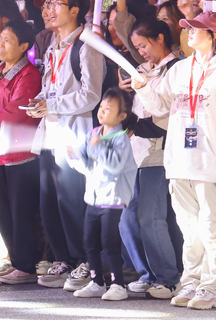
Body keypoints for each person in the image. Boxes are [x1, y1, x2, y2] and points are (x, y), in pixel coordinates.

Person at [132, 11, 216, 311]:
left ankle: (213, 285)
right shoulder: (180, 70)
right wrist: (143, 88)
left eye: (196, 29)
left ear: (214, 36)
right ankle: (192, 280)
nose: (189, 32)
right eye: (188, 28)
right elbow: (160, 107)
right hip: (178, 160)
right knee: (188, 226)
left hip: (210, 161)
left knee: (211, 224)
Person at [24, 0, 105, 291]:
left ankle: (88, 261)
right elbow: (51, 87)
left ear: (74, 10)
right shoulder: (54, 45)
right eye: (48, 4)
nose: (49, 9)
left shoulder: (87, 45)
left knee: (74, 201)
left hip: (75, 134)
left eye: (56, 4)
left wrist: (52, 104)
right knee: (51, 202)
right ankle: (66, 259)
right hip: (51, 133)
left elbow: (91, 95)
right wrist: (40, 102)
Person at [0, 18, 43, 285]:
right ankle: (17, 262)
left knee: (21, 211)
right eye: (0, 39)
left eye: (7, 40)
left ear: (24, 46)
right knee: (2, 211)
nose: (0, 45)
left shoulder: (29, 75)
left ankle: (27, 265)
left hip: (19, 153)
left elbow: (14, 111)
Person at [121, 19, 183, 299]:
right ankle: (146, 274)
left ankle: (168, 278)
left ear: (160, 38)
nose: (141, 52)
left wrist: (133, 125)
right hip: (135, 153)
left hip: (159, 152)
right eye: (136, 47)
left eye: (143, 45)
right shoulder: (143, 71)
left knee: (150, 217)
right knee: (127, 218)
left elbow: (166, 118)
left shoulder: (175, 69)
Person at [66, 89, 138, 301]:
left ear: (122, 116)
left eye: (109, 109)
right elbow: (90, 167)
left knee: (109, 242)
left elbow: (115, 167)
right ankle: (97, 281)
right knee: (89, 240)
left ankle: (118, 284)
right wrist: (77, 157)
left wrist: (96, 149)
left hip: (112, 199)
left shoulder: (120, 138)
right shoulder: (95, 133)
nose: (102, 112)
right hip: (94, 198)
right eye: (101, 107)